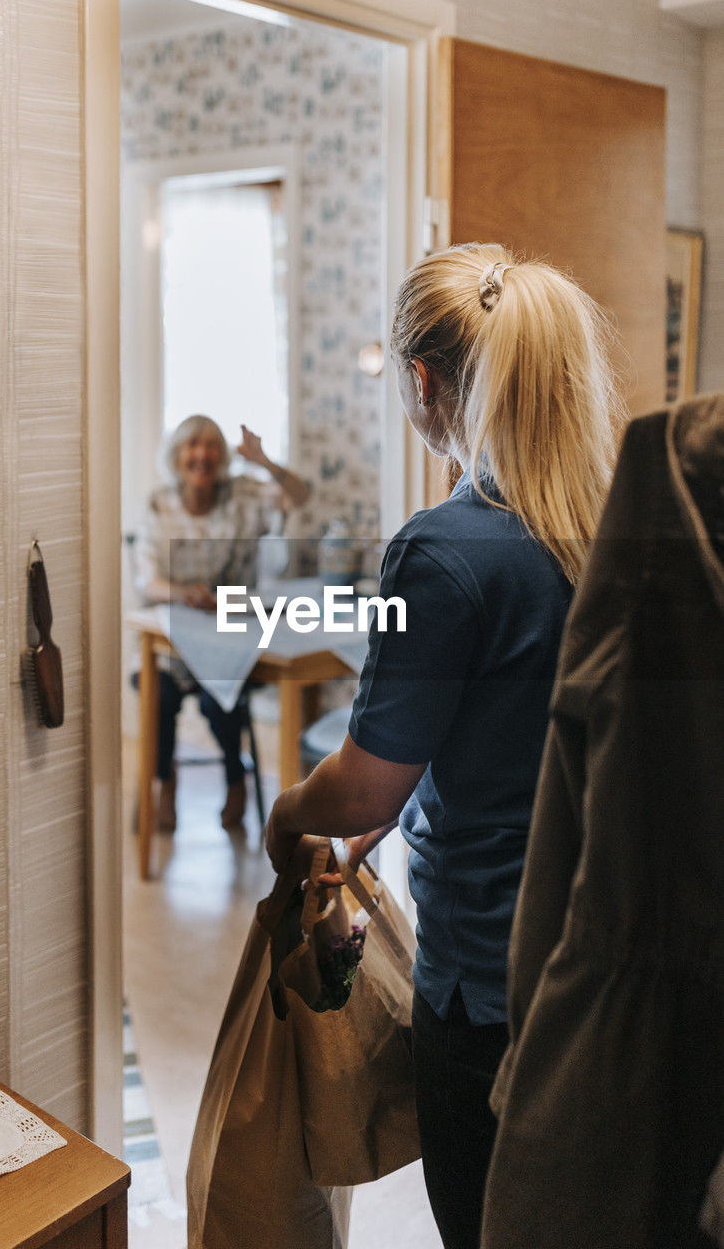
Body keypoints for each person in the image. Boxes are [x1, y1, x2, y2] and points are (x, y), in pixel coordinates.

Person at [265, 243, 620, 1249]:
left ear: (421, 382)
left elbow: (365, 785)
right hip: (608, 969)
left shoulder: (444, 549)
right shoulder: (613, 527)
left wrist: (293, 812)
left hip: (491, 988)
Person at [137, 415, 310, 832]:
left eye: (212, 445)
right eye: (192, 445)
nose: (202, 454)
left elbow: (300, 496)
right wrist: (187, 593)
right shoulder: (160, 504)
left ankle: (236, 780)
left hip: (229, 638)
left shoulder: (243, 497)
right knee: (158, 694)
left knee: (223, 696)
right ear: (177, 456)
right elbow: (147, 580)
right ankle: (165, 782)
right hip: (175, 640)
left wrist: (265, 461)